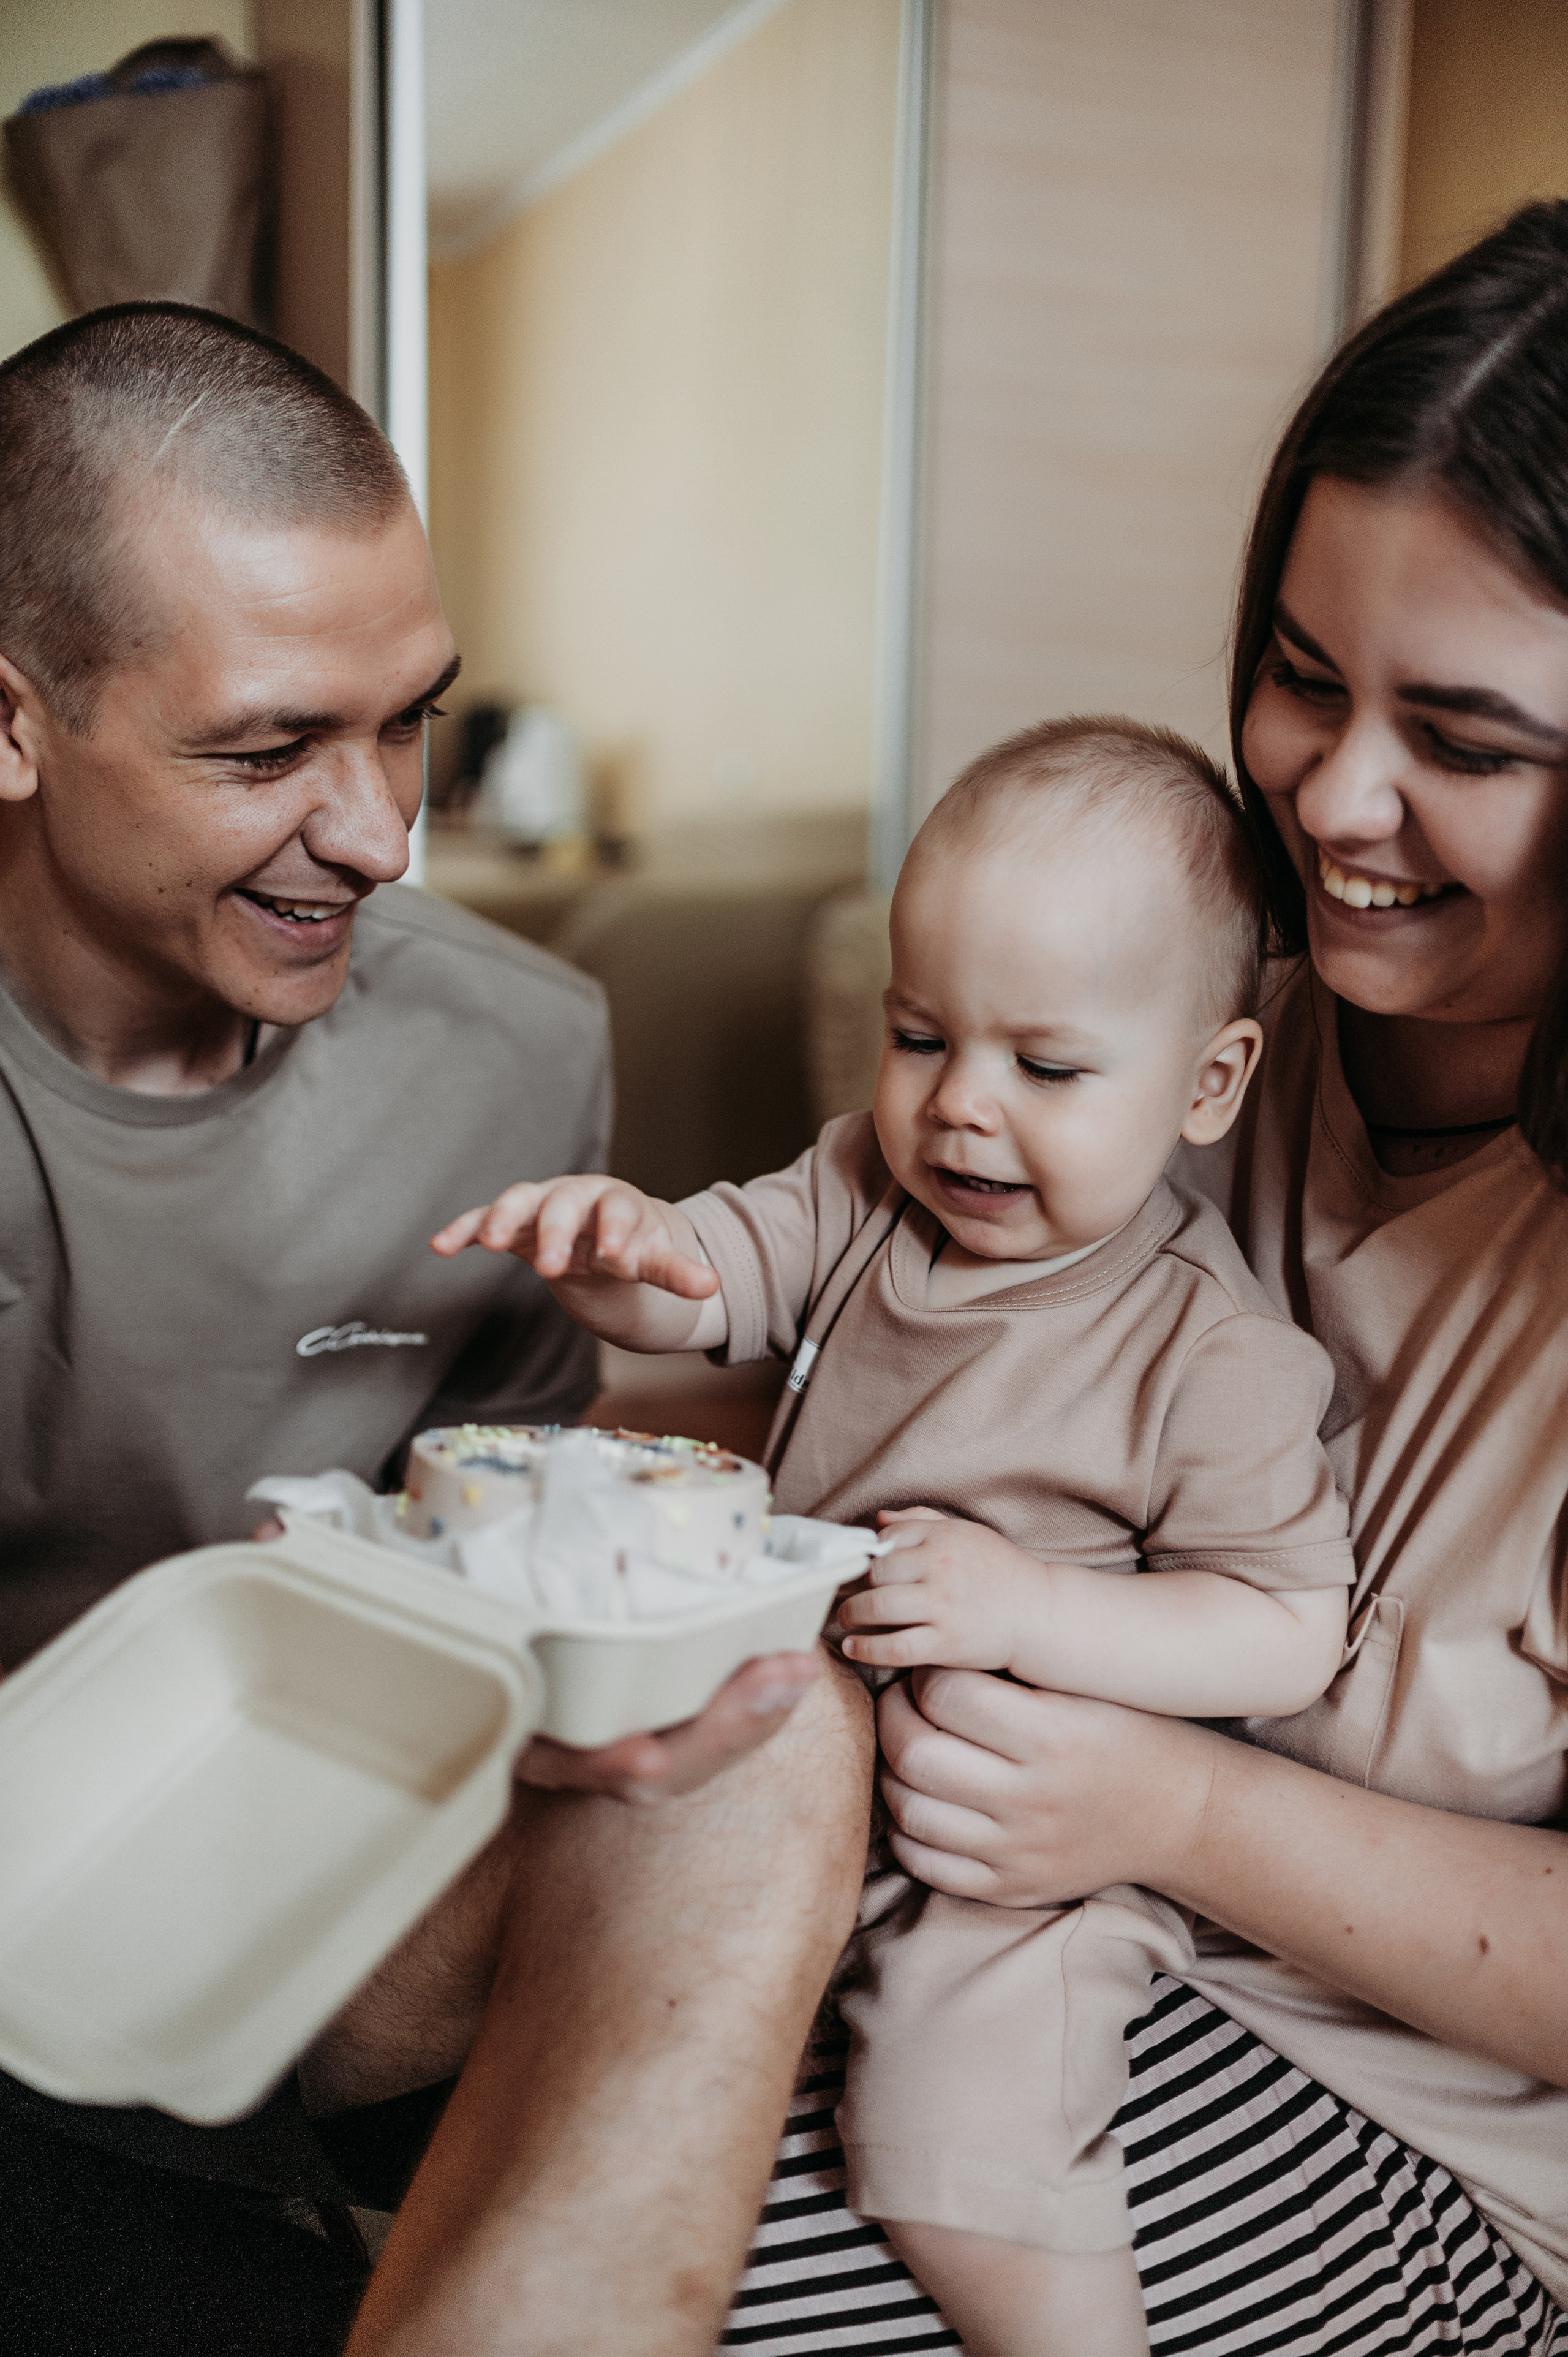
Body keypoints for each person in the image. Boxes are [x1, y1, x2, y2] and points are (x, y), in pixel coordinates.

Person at [715, 199, 1568, 2356]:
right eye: (1301, 677)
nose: (1336, 798)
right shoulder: (1163, 1021)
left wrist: (1177, 1797)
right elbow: (848, 1324)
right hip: (1002, 1914)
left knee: (709, 2254)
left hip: (1423, 2124)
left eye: (1464, 741)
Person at [0, 301, 872, 2357]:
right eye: (268, 748)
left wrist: (570, 1676)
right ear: (18, 720)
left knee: (778, 1727)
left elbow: (494, 1523)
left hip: (346, 1892)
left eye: (410, 722)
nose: (383, 831)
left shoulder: (512, 1045)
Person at [436, 714, 1357, 2355]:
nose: (964, 1115)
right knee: (567, 1919)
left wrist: (1028, 1610)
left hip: (1022, 1857)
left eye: (1048, 1068)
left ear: (1210, 1080)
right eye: (922, 1037)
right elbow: (711, 1274)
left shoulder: (1210, 1354)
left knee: (952, 2141)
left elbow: (1288, 1626)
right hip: (797, 1770)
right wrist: (613, 1244)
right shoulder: (869, 1187)